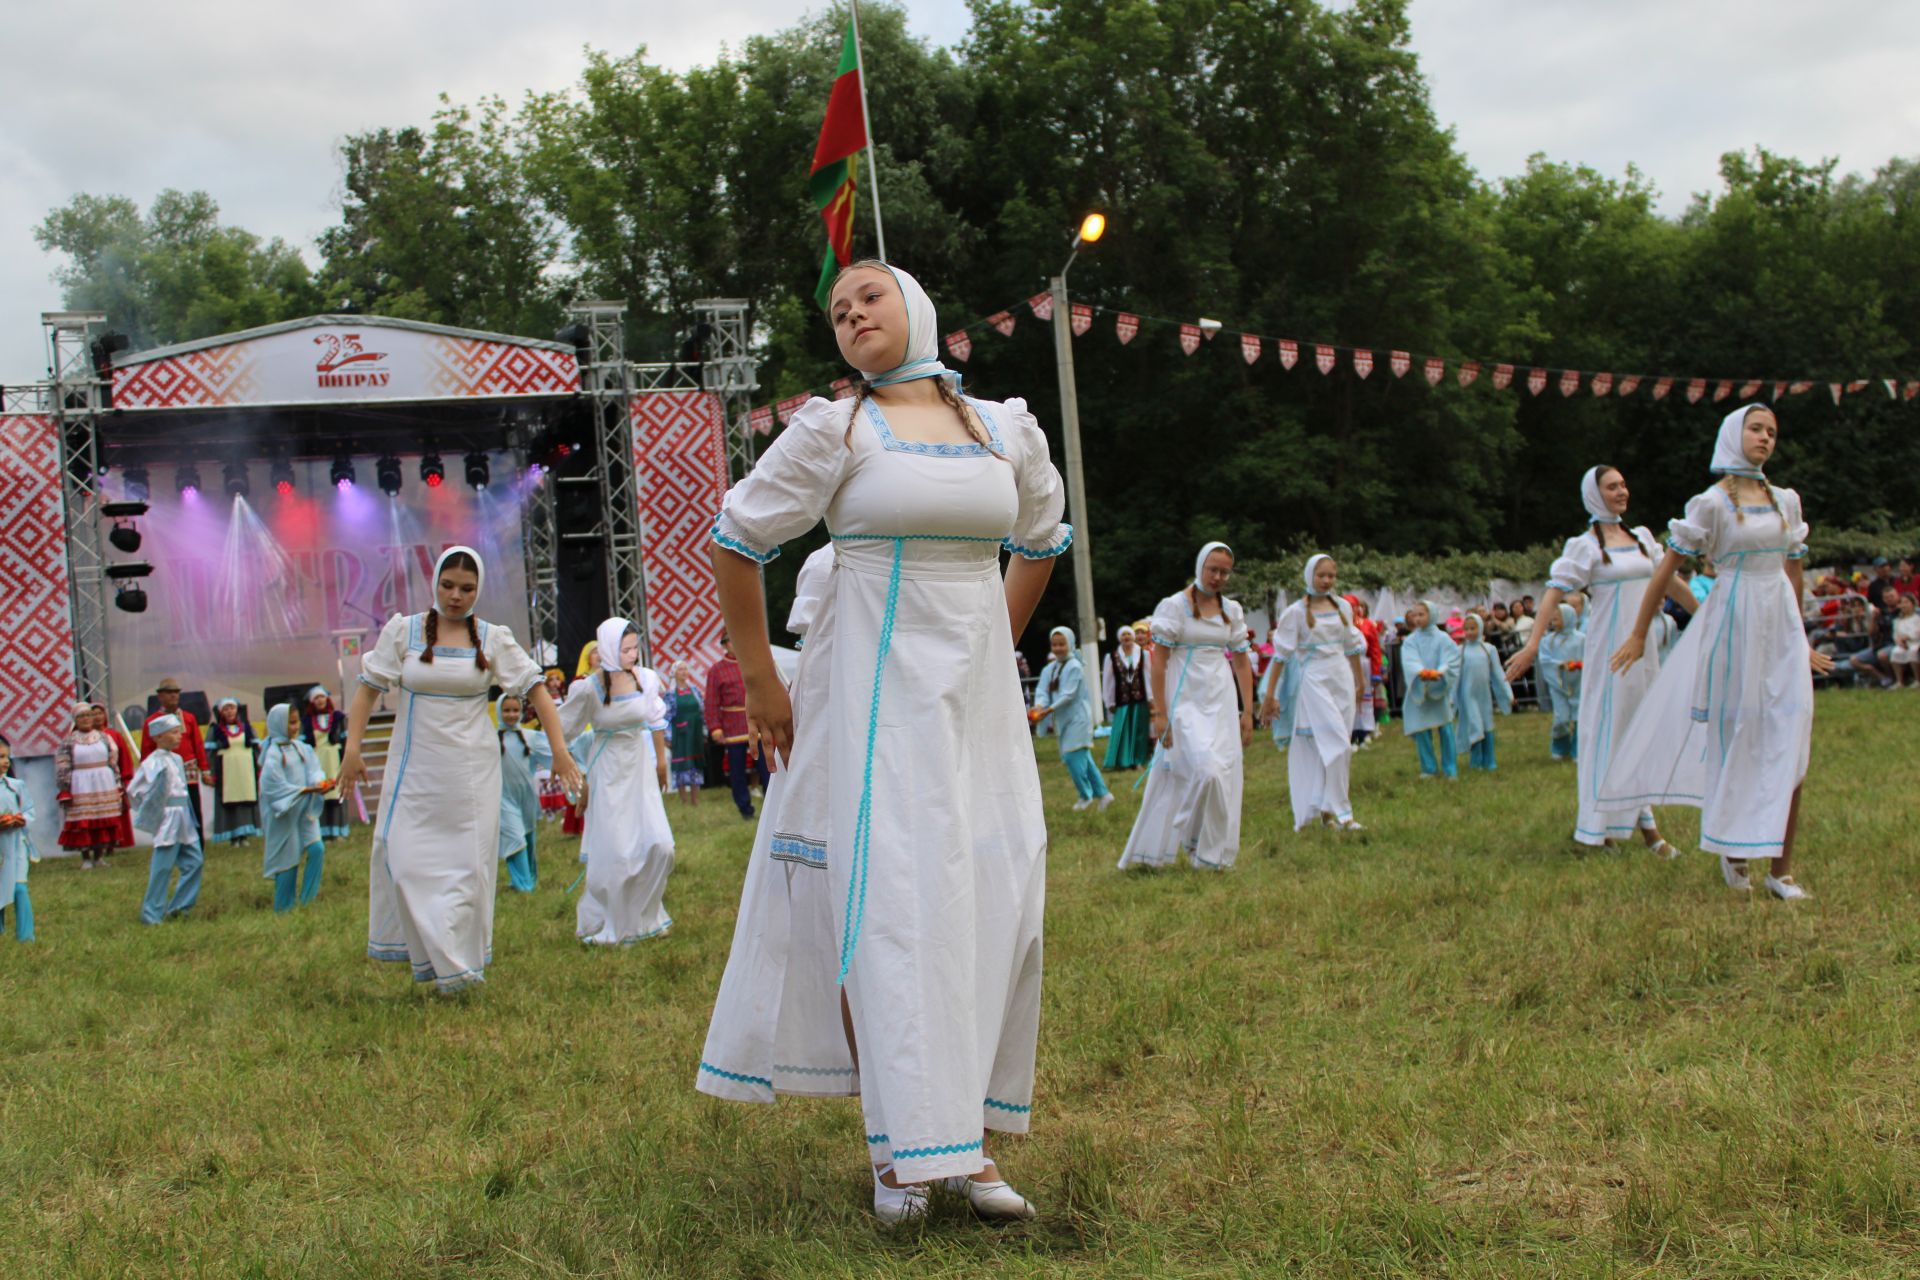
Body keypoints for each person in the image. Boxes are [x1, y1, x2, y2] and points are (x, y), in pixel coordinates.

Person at [697, 261, 1062, 1223]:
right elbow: (736, 540)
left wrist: (995, 647)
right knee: (893, 901)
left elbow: (1041, 537)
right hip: (871, 700)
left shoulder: (1002, 427)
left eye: (871, 295)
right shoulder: (839, 428)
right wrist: (765, 681)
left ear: (920, 310)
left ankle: (967, 1140)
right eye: (838, 308)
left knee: (993, 888)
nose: (852, 312)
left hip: (972, 704)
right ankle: (900, 1153)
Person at [1603, 405, 1832, 898]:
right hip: (1733, 620)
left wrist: (1802, 638)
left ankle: (1782, 870)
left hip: (1781, 625)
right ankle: (1735, 856)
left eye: (1772, 431)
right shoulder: (1710, 504)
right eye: (1756, 429)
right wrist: (1640, 632)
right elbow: (1667, 569)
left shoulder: (1786, 501)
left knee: (1792, 735)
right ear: (1734, 434)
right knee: (1740, 738)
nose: (1765, 438)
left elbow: (1793, 569)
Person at [335, 546, 582, 994]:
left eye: (467, 589)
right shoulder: (404, 632)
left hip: (470, 775)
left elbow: (537, 690)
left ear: (478, 590)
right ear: (435, 584)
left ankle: (459, 970)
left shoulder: (491, 638)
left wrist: (560, 750)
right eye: (448, 586)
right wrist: (352, 749)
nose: (456, 596)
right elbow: (367, 691)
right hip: (414, 773)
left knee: (468, 871)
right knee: (404, 860)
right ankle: (433, 956)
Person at [1505, 464, 1692, 856]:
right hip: (1610, 653)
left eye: (1624, 484)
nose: (1622, 491)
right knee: (1609, 736)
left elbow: (1670, 579)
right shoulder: (1584, 546)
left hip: (1644, 650)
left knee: (1641, 733)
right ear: (1594, 494)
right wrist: (1533, 645)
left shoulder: (1641, 537)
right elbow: (1553, 594)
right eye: (1612, 487)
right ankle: (1618, 829)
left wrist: (1706, 610)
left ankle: (1643, 827)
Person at [1119, 542, 1255, 869]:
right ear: (1200, 568)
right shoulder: (1174, 606)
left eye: (1225, 572)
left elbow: (1241, 663)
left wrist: (1248, 711)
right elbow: (1158, 662)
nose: (1219, 577)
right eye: (1213, 569)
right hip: (1186, 697)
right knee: (1204, 770)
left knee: (1222, 776)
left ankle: (1210, 855)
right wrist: (1160, 712)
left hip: (1220, 698)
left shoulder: (1231, 611)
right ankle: (1189, 835)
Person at [561, 618, 675, 945]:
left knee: (660, 846)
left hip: (639, 766)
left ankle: (647, 913)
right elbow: (563, 731)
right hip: (607, 770)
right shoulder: (589, 689)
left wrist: (661, 762)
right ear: (609, 649)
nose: (632, 655)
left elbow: (655, 719)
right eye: (625, 649)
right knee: (617, 851)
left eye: (635, 648)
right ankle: (616, 922)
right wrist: (577, 773)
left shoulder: (647, 679)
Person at [1261, 555, 1366, 831]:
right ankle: (1342, 813)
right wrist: (1270, 694)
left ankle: (1327, 814)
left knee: (1340, 743)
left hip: (1340, 677)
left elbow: (1352, 645)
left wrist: (1360, 680)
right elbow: (1280, 656)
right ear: (1310, 576)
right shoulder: (1295, 612)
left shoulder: (1342, 606)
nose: (1327, 580)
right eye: (1322, 575)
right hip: (1314, 679)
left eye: (1331, 575)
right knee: (1335, 745)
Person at [128, 715, 203, 924]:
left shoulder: (177, 759)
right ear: (159, 736)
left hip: (184, 816)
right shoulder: (152, 763)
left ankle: (180, 908)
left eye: (179, 731)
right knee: (163, 867)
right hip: (168, 818)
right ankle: (151, 914)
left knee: (194, 861)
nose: (180, 736)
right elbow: (134, 790)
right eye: (174, 732)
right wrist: (153, 809)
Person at [257, 704, 330, 911]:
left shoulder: (300, 748)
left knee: (317, 849)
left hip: (304, 810)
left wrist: (319, 783)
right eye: (290, 722)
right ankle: (284, 908)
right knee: (287, 860)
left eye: (297, 721)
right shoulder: (273, 755)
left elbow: (313, 769)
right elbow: (274, 788)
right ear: (278, 724)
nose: (295, 726)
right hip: (284, 813)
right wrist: (306, 790)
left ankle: (307, 901)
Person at [1032, 625, 1113, 811]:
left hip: (1078, 718)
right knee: (1083, 756)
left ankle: (1085, 795)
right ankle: (1104, 794)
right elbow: (1042, 690)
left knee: (1071, 756)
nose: (1058, 648)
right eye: (1054, 644)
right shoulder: (1050, 668)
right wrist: (1039, 705)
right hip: (1063, 719)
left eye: (1062, 644)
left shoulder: (1075, 667)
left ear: (1070, 644)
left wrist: (1048, 710)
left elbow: (1068, 695)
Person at [705, 632, 767, 818]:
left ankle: (771, 806)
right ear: (724, 645)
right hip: (732, 725)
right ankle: (745, 808)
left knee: (767, 766)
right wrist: (715, 727)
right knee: (737, 770)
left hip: (757, 721)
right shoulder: (717, 670)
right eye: (731, 641)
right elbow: (711, 701)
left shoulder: (753, 663)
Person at [141, 678, 211, 841]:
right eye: (169, 693)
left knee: (193, 805)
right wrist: (148, 774)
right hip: (165, 769)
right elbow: (147, 749)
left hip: (188, 769)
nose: (173, 696)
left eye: (176, 693)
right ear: (160, 697)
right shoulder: (151, 722)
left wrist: (205, 769)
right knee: (169, 806)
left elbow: (198, 745)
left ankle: (197, 843)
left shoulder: (188, 718)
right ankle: (171, 840)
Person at [57, 703, 124, 868]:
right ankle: (86, 857)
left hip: (103, 781)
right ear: (75, 720)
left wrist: (117, 782)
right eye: (81, 716)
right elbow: (63, 765)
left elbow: (113, 761)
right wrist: (65, 788)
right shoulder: (69, 741)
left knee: (102, 818)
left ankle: (99, 856)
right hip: (81, 783)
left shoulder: (104, 737)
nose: (86, 719)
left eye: (88, 715)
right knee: (84, 820)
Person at [495, 692, 548, 893]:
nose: (511, 715)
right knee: (514, 837)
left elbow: (550, 753)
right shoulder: (491, 739)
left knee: (528, 838)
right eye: (506, 710)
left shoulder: (531, 737)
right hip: (503, 798)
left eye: (515, 710)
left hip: (526, 796)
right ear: (499, 712)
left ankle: (529, 877)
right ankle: (523, 884)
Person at [1453, 612, 1513, 771]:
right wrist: (1452, 697)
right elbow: (1456, 675)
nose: (1469, 632)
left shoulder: (1489, 649)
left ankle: (1490, 759)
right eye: (1466, 629)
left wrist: (1508, 693)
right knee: (1474, 724)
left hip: (1484, 695)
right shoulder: (1461, 650)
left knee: (1487, 724)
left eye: (1473, 628)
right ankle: (1476, 760)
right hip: (1468, 695)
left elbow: (1498, 673)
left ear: (1480, 628)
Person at [205, 698, 261, 846]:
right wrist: (210, 772)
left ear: (237, 710)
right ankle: (233, 836)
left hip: (245, 769)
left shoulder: (247, 728)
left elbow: (256, 750)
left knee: (245, 800)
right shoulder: (215, 730)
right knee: (230, 802)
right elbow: (210, 754)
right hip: (226, 771)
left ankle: (244, 835)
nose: (230, 711)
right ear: (221, 712)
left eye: (232, 708)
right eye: (226, 709)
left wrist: (259, 767)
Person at [1101, 625, 1154, 770]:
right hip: (1122, 700)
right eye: (1123, 635)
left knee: (1139, 731)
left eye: (1128, 635)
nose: (1126, 637)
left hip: (1140, 699)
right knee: (1122, 730)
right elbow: (1108, 680)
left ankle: (1138, 761)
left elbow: (1148, 677)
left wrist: (1150, 697)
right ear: (1120, 638)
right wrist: (1109, 700)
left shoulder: (1143, 655)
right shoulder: (1111, 656)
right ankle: (1122, 761)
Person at [1536, 603, 1584, 761]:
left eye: (1557, 619)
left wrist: (1579, 664)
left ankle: (1578, 749)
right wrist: (1560, 665)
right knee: (1561, 717)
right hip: (1558, 685)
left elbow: (1589, 658)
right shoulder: (1548, 641)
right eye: (1552, 619)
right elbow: (1545, 661)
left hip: (1578, 683)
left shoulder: (1581, 639)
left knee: (1579, 716)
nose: (1553, 622)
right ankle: (1560, 748)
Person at [302, 687, 350, 840]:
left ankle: (337, 831)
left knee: (335, 794)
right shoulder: (307, 721)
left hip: (334, 759)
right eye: (316, 698)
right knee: (320, 793)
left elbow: (344, 739)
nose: (320, 700)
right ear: (312, 702)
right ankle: (321, 831)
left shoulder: (338, 717)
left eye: (322, 697)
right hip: (318, 760)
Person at [0, 737, 35, 941]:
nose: (6, 761)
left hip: (16, 845)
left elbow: (29, 809)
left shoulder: (16, 785)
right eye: (1, 757)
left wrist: (22, 819)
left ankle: (26, 936)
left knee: (20, 888)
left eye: (7, 757)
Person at [92, 704, 139, 852]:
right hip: (94, 780)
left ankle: (117, 840)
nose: (97, 717)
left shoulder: (115, 735)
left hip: (113, 778)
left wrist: (126, 778)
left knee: (116, 810)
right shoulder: (84, 738)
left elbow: (124, 758)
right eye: (93, 714)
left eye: (100, 713)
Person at [666, 660, 707, 806]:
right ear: (674, 674)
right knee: (681, 765)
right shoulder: (671, 694)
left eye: (685, 669)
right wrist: (668, 736)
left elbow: (702, 710)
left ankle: (695, 799)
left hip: (695, 732)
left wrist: (704, 731)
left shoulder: (694, 690)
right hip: (680, 733)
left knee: (695, 763)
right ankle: (683, 800)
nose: (684, 672)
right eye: (680, 670)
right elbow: (667, 716)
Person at [1347, 594, 1383, 746]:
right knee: (1348, 699)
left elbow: (1375, 649)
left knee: (1364, 700)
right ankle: (1350, 734)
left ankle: (1364, 732)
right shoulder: (1339, 626)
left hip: (1363, 666)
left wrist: (1376, 672)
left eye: (1352, 606)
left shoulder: (1367, 624)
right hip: (1345, 666)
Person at [1887, 592, 1920, 688]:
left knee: (1913, 651)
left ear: (1912, 604)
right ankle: (1899, 681)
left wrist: (1907, 637)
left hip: (1916, 642)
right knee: (1895, 652)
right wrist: (1899, 641)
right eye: (1902, 603)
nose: (1904, 605)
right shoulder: (1897, 621)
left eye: (1906, 602)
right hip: (1903, 644)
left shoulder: (1917, 618)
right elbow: (1895, 634)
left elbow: (1918, 632)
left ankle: (1917, 679)